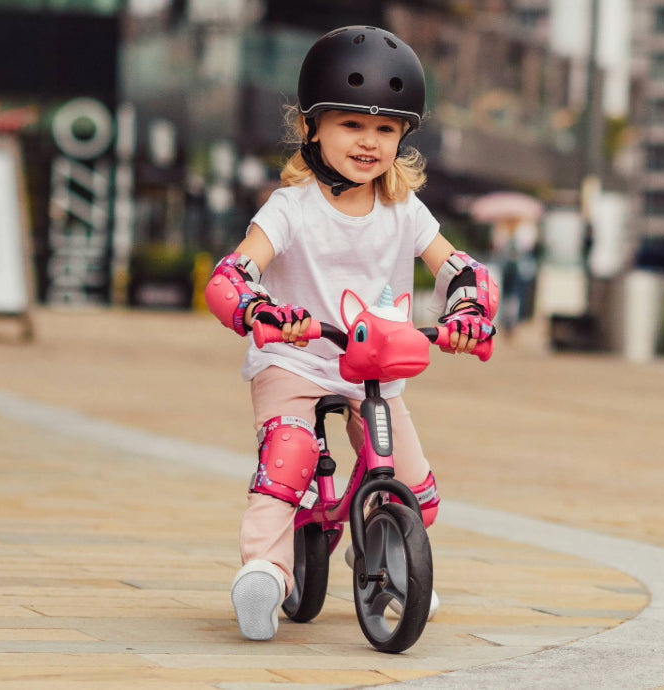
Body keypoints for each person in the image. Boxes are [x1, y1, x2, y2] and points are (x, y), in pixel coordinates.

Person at [201, 25, 496, 642]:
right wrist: (257, 307)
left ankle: (381, 554)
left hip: (374, 364)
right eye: (351, 125)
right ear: (312, 127)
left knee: (413, 484)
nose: (368, 142)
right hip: (295, 357)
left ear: (403, 137)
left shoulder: (403, 210)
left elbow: (456, 265)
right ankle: (265, 572)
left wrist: (467, 308)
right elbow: (235, 271)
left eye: (385, 129)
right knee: (288, 460)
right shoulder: (291, 209)